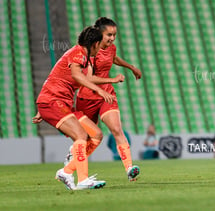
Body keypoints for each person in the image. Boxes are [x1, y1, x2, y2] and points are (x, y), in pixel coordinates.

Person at [32, 26, 116, 190]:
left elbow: (56, 75)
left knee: (96, 135)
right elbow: (76, 76)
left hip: (60, 104)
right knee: (80, 135)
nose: (101, 49)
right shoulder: (78, 53)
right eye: (100, 45)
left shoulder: (84, 58)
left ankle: (67, 171)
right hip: (54, 101)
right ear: (95, 43)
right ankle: (83, 179)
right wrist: (99, 90)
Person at [64, 17, 142, 182]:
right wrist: (112, 79)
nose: (112, 38)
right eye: (109, 35)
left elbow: (114, 58)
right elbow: (89, 78)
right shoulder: (90, 51)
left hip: (106, 95)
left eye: (114, 35)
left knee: (116, 129)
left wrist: (131, 67)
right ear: (99, 34)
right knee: (85, 138)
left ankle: (129, 168)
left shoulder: (111, 48)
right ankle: (70, 165)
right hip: (87, 98)